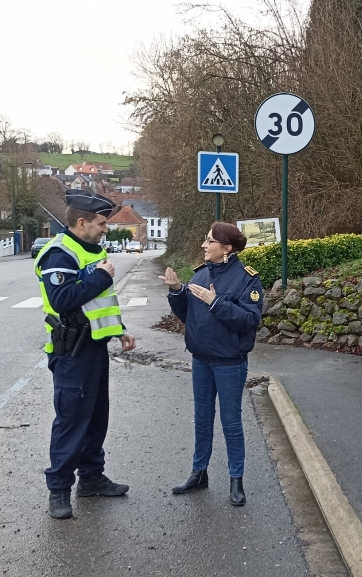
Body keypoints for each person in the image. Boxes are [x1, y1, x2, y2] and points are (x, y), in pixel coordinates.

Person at [34, 190, 137, 520]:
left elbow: (99, 302)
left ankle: (91, 478)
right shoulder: (59, 254)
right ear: (82, 223)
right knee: (71, 421)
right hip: (71, 351)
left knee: (95, 416)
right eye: (102, 223)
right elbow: (63, 299)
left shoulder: (93, 250)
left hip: (94, 347)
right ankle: (59, 489)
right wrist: (101, 276)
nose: (106, 228)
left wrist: (119, 329)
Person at [160, 221, 264, 506]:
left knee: (231, 422)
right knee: (202, 419)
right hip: (201, 360)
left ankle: (236, 480)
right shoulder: (200, 274)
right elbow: (187, 315)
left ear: (226, 248)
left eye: (209, 241)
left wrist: (216, 302)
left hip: (229, 362)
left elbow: (250, 320)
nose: (204, 245)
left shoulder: (247, 279)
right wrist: (176, 290)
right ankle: (199, 473)